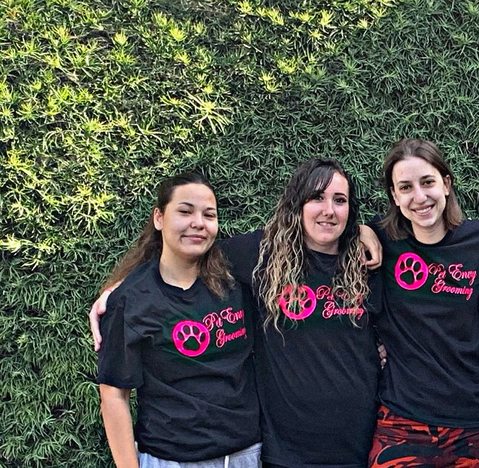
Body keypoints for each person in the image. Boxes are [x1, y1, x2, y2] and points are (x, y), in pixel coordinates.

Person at [93, 160, 382, 467]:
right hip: (285, 452)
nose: (329, 210)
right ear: (297, 204)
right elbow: (186, 252)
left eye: (340, 200)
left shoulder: (367, 262)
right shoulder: (262, 255)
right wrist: (118, 290)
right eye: (316, 197)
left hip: (359, 443)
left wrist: (365, 232)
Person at [97, 173, 261, 467]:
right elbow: (113, 395)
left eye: (209, 215)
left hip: (244, 455)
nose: (198, 223)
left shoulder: (236, 275)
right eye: (185, 211)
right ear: (159, 218)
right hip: (169, 458)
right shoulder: (132, 299)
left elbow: (299, 237)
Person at [367, 138, 479, 467]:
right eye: (405, 187)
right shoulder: (384, 240)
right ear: (394, 196)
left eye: (428, 182)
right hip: (402, 420)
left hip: (471, 423)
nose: (419, 197)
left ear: (446, 184)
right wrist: (361, 230)